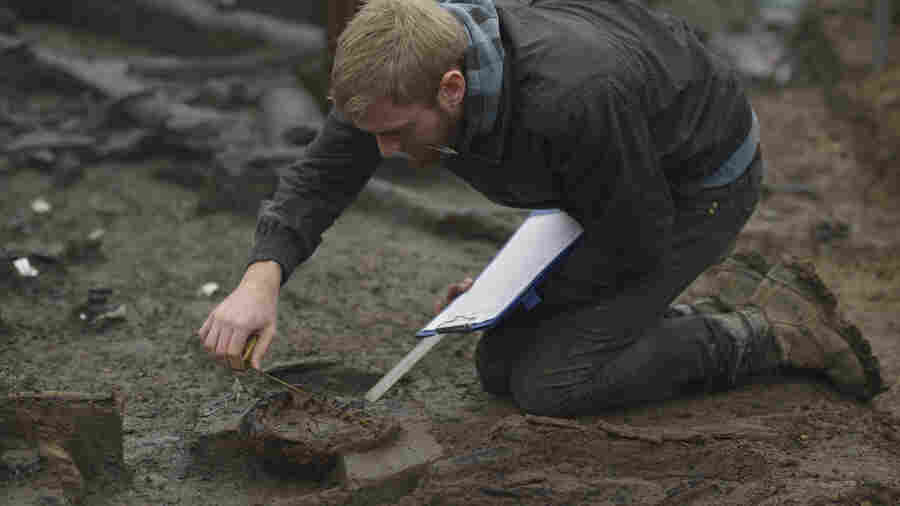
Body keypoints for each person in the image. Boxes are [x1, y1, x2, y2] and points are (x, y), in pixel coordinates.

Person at [198, 0, 885, 416]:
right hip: (605, 172)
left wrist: (521, 292)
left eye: (397, 134)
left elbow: (634, 239)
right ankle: (677, 311)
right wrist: (262, 279)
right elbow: (325, 170)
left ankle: (771, 330)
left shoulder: (572, 99)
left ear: (452, 88)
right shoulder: (394, 73)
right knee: (499, 369)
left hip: (693, 183)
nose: (383, 149)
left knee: (557, 381)